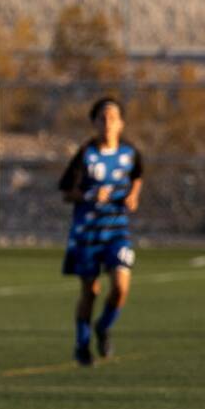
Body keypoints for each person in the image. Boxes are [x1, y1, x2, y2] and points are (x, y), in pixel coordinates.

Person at [58, 97, 144, 366]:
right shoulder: (86, 154)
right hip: (87, 233)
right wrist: (89, 194)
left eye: (112, 118)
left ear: (121, 123)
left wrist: (133, 195)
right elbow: (66, 193)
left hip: (117, 231)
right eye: (102, 118)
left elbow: (137, 177)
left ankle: (103, 326)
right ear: (94, 123)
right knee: (90, 291)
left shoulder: (130, 154)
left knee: (120, 287)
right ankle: (82, 345)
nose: (107, 123)